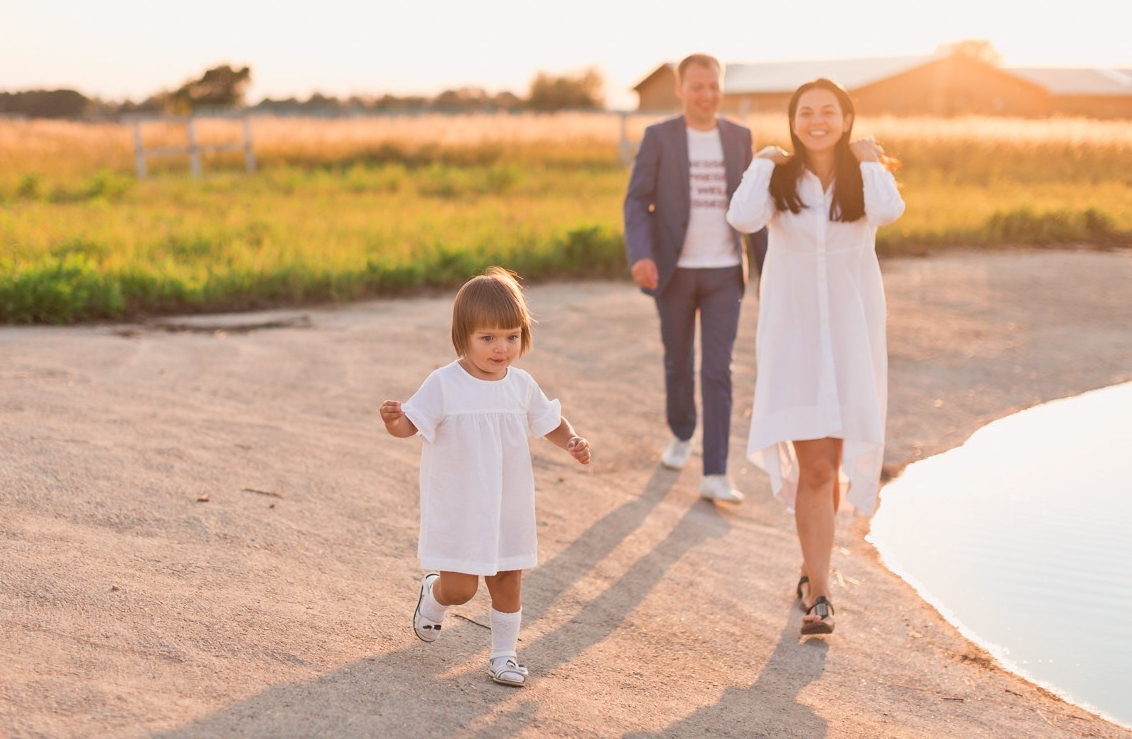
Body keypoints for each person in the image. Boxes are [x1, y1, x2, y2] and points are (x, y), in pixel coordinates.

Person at [727, 78, 905, 635]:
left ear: (846, 119)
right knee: (818, 465)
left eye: (829, 111)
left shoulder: (864, 178)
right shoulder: (778, 178)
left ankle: (811, 571)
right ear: (794, 121)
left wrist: (871, 160)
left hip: (850, 338)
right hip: (796, 338)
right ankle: (822, 596)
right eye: (806, 112)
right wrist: (759, 163)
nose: (817, 120)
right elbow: (742, 219)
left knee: (828, 463)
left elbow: (890, 210)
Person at [378, 266, 591, 686]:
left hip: (508, 502)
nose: (501, 348)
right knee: (462, 590)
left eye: (512, 337)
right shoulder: (444, 383)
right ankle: (434, 593)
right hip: (462, 503)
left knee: (508, 577)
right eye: (488, 338)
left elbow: (549, 420)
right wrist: (393, 421)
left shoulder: (521, 384)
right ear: (463, 336)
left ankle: (504, 655)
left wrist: (571, 440)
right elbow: (410, 427)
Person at [623, 53, 768, 503]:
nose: (707, 94)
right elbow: (637, 202)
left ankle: (716, 471)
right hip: (674, 273)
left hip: (724, 271)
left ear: (721, 88)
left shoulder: (740, 138)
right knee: (679, 362)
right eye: (697, 86)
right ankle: (682, 433)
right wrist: (641, 255)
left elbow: (754, 206)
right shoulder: (659, 137)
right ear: (681, 90)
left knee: (718, 369)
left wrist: (769, 272)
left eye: (713, 86)